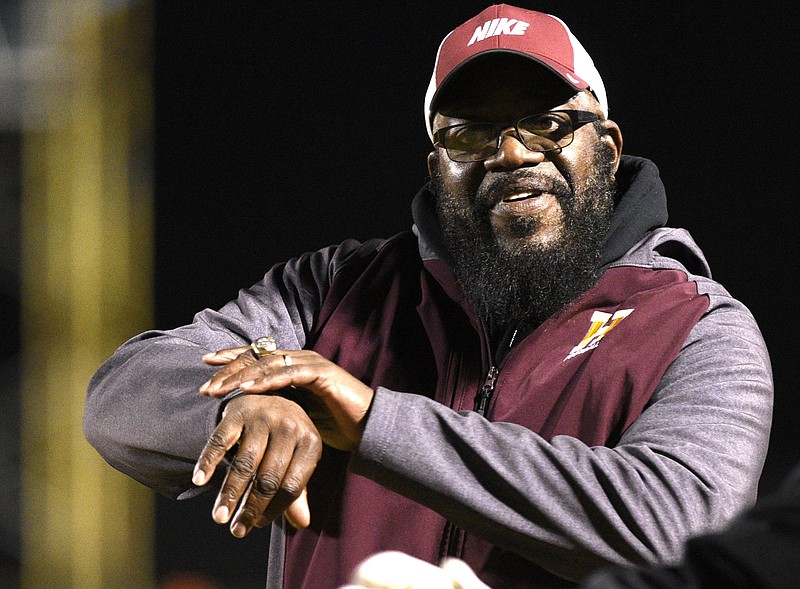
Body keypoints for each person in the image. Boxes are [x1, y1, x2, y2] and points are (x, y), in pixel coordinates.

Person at [83, 4, 773, 589]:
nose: (511, 152)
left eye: (547, 123)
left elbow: (675, 526)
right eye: (469, 133)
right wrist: (245, 404)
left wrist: (373, 421)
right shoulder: (334, 290)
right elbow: (121, 394)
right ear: (436, 167)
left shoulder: (697, 326)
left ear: (609, 148)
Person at [342, 460, 800, 588]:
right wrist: (270, 387)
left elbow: (679, 537)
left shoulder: (698, 318)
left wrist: (372, 418)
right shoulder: (337, 277)